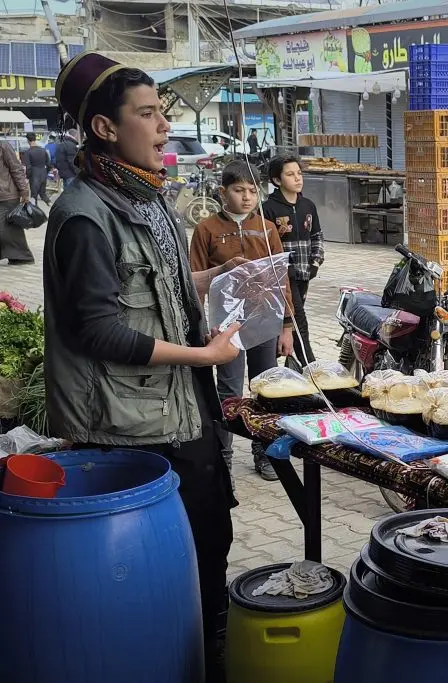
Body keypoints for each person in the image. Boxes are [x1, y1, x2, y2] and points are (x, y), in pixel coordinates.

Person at [44, 52, 240, 681]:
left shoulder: (149, 198)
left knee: (212, 547)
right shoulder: (82, 214)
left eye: (164, 112)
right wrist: (205, 355)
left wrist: (216, 279)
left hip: (187, 410)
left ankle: (210, 658)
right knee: (164, 570)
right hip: (133, 427)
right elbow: (100, 330)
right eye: (149, 114)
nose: (163, 128)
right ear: (105, 128)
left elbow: (160, 291)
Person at [190, 159, 295, 481]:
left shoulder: (267, 228)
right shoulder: (206, 229)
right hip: (226, 327)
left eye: (252, 190)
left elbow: (281, 280)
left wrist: (287, 326)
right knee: (229, 391)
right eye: (238, 190)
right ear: (223, 192)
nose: (247, 197)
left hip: (264, 319)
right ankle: (222, 460)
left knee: (266, 388)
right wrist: (200, 328)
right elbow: (193, 280)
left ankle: (265, 454)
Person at [262, 154, 324, 369]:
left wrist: (315, 261)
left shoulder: (308, 205)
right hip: (281, 276)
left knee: (289, 319)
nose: (297, 178)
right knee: (299, 319)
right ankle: (311, 367)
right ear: (276, 180)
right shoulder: (268, 209)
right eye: (290, 174)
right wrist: (281, 268)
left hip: (305, 272)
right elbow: (265, 245)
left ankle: (280, 361)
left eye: (299, 173)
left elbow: (317, 236)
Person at [0, 139, 31, 265]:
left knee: (7, 228)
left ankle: (22, 256)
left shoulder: (3, 146)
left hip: (7, 194)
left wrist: (24, 191)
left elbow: (16, 169)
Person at [25, 132, 51, 205]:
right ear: (35, 139)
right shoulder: (43, 150)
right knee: (43, 194)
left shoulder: (28, 152)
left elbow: (28, 167)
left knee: (34, 197)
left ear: (28, 140)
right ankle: (51, 205)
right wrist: (46, 172)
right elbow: (49, 164)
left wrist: (27, 176)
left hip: (34, 175)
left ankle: (35, 214)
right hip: (43, 173)